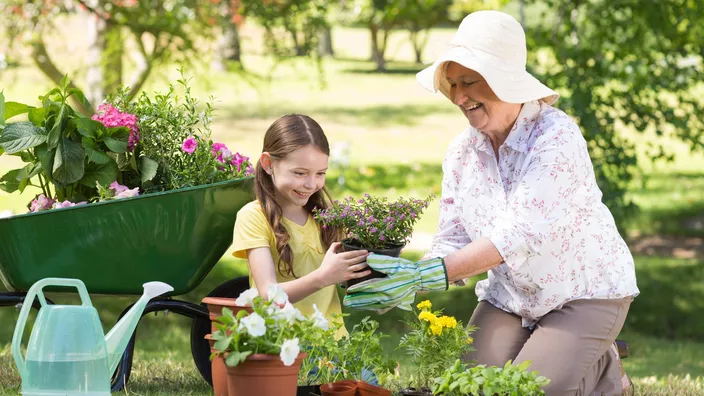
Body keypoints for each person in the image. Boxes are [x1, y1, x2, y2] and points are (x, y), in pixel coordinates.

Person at [343, 10, 639, 396]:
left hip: (584, 293)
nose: (459, 97)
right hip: (512, 296)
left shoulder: (556, 137)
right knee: (466, 389)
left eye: (469, 82)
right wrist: (407, 279)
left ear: (506, 81)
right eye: (452, 85)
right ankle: (576, 356)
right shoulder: (462, 152)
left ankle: (602, 366)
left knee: (523, 391)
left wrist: (426, 276)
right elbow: (453, 237)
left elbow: (517, 236)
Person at [232, 114, 370, 338]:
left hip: (336, 345)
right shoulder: (254, 217)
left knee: (370, 375)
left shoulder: (329, 216)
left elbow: (355, 273)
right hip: (285, 347)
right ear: (268, 164)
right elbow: (266, 295)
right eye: (299, 173)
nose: (311, 184)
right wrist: (322, 277)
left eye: (320, 174)